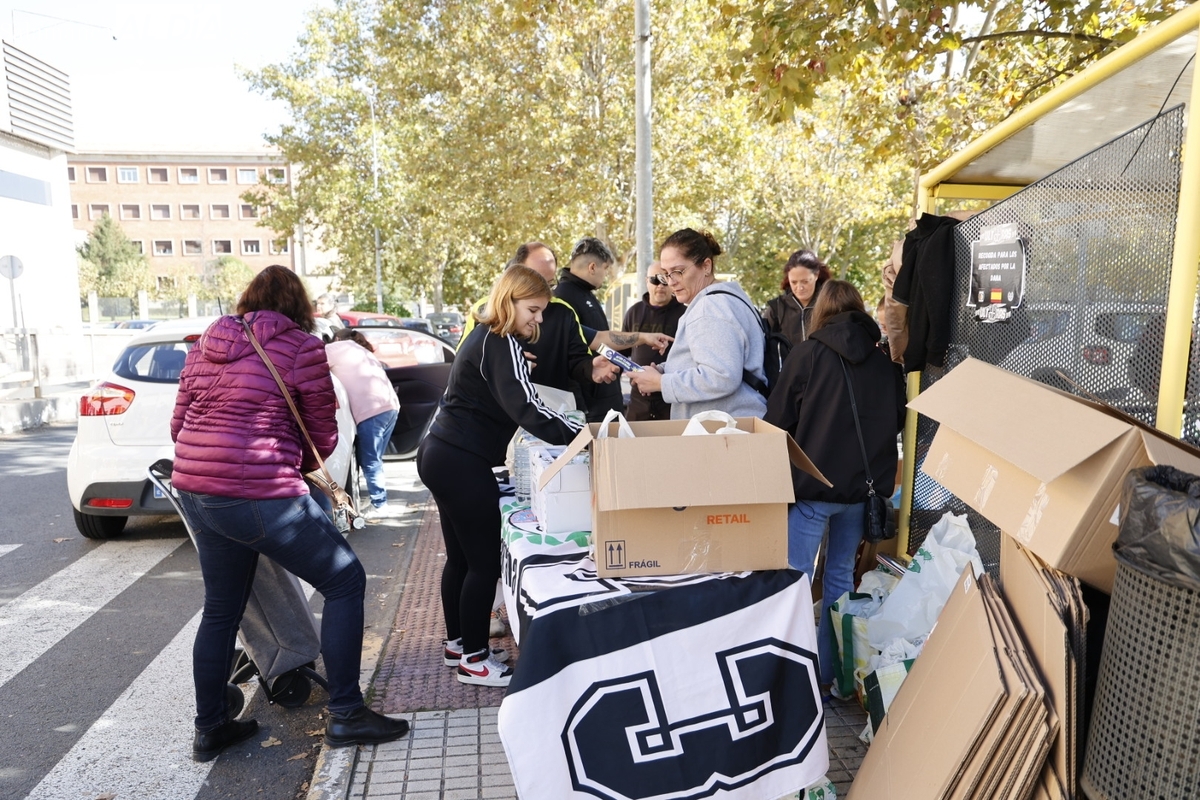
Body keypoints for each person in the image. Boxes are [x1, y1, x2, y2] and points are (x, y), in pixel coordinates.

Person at [170, 265, 407, 763]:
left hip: (196, 490)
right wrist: (286, 458)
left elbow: (179, 424)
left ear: (247, 300)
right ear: (299, 306)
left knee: (221, 608)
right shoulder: (302, 347)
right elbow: (323, 435)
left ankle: (210, 726)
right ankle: (346, 713)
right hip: (258, 492)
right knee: (344, 581)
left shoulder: (206, 344)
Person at [417, 266, 592, 688]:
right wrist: (583, 436)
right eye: (533, 309)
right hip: (461, 460)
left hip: (440, 452)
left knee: (461, 559)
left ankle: (458, 644)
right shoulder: (500, 341)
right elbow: (528, 408)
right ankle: (475, 660)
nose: (539, 319)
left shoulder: (485, 336)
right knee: (483, 564)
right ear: (508, 301)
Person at [763, 279, 906, 690]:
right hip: (862, 494)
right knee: (841, 577)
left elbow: (777, 421)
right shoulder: (886, 362)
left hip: (812, 489)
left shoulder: (807, 354)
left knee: (794, 580)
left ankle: (791, 679)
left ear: (821, 312)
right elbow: (897, 421)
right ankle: (829, 676)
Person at [627, 228, 767, 419]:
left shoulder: (709, 307)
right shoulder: (727, 298)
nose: (671, 282)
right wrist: (663, 370)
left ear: (706, 266)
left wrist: (661, 383)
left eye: (678, 271)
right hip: (729, 424)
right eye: (666, 273)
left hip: (723, 427)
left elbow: (722, 376)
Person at [325, 328, 402, 518]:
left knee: (370, 461)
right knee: (374, 459)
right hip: (390, 407)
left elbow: (309, 366)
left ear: (336, 338)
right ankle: (378, 500)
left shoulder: (334, 348)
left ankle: (380, 505)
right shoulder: (362, 351)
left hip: (371, 411)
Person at [554, 237, 626, 421]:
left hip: (604, 396)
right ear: (592, 267)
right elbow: (571, 353)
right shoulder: (564, 298)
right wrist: (582, 409)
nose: (606, 275)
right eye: (606, 268)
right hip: (591, 404)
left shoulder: (585, 294)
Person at [620, 261, 685, 420]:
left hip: (672, 400)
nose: (660, 286)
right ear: (646, 281)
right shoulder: (633, 312)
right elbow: (621, 352)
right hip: (638, 399)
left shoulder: (685, 314)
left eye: (665, 280)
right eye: (655, 280)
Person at [764, 250, 830, 347]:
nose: (799, 288)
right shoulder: (776, 308)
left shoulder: (830, 304)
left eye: (805, 281)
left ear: (816, 275)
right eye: (794, 282)